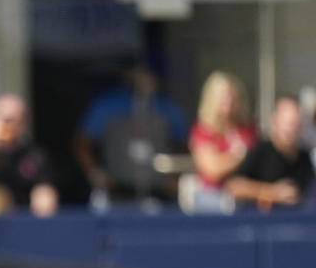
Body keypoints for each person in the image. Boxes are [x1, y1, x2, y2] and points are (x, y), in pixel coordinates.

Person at [74, 61, 188, 204]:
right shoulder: (108, 106)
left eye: (147, 73)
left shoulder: (167, 108)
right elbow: (82, 143)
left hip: (159, 193)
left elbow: (184, 146)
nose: (142, 78)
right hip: (117, 192)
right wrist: (96, 174)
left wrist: (175, 177)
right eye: (136, 72)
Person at [225, 96, 314, 212]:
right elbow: (234, 186)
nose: (291, 129)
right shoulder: (260, 151)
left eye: (295, 123)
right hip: (259, 224)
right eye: (287, 123)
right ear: (275, 120)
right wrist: (272, 193)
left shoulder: (304, 157)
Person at [0, 94, 58, 217]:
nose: (8, 125)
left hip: (21, 223)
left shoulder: (34, 155)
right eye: (3, 118)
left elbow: (45, 200)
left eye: (15, 120)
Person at [185, 71, 256, 213]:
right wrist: (240, 154)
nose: (229, 103)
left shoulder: (248, 129)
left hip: (246, 199)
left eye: (233, 98)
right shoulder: (202, 131)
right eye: (224, 98)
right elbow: (212, 170)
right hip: (211, 199)